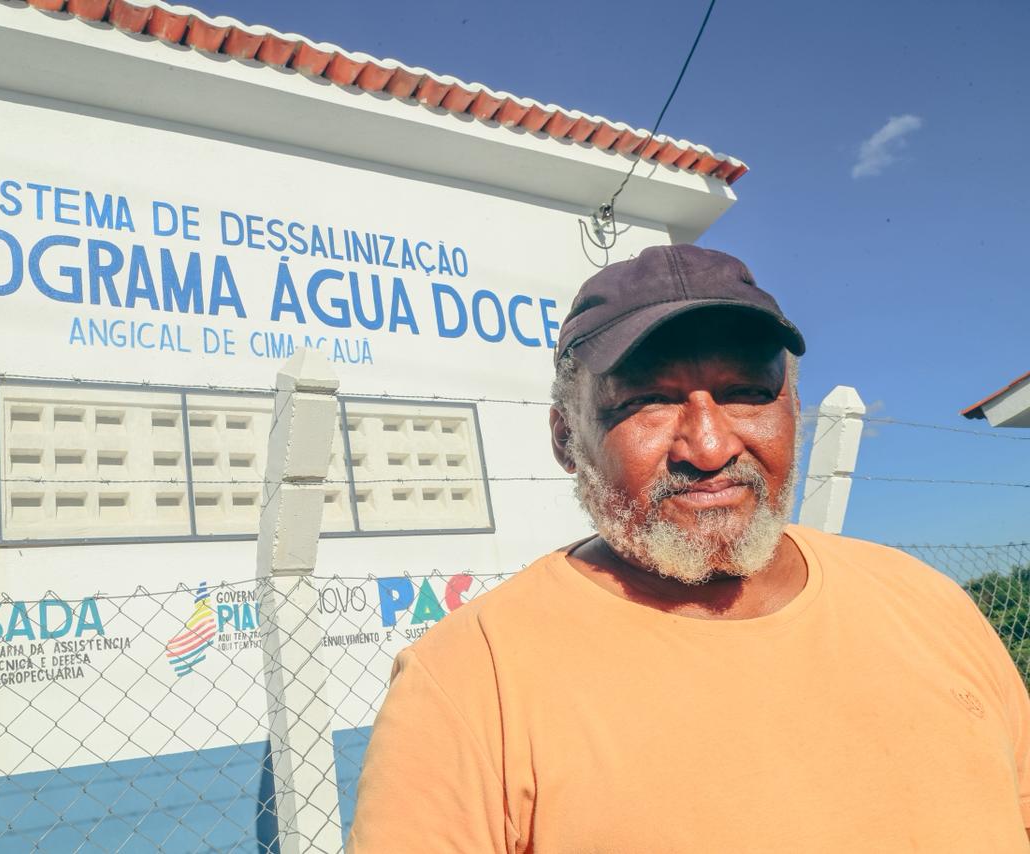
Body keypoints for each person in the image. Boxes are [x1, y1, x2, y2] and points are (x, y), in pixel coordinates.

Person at [346, 244, 1030, 852]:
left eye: (746, 394)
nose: (708, 446)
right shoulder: (471, 681)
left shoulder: (927, 603)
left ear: (793, 410)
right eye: (648, 400)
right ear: (565, 438)